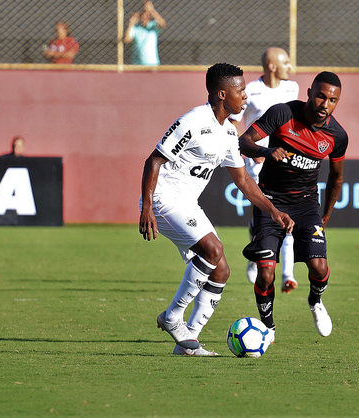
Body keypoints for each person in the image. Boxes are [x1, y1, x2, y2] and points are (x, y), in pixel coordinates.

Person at [139, 63, 294, 356]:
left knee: (221, 270)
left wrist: (273, 212)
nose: (245, 97)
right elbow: (154, 161)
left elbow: (244, 181)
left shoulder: (227, 133)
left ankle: (190, 342)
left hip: (185, 202)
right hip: (162, 197)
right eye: (240, 91)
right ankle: (173, 316)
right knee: (213, 249)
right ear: (223, 94)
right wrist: (147, 207)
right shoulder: (193, 121)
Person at [239, 71, 348, 339]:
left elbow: (336, 178)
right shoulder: (282, 114)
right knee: (265, 274)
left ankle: (316, 301)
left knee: (319, 267)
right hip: (270, 201)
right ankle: (268, 327)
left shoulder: (337, 136)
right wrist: (267, 151)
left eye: (332, 100)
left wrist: (326, 216)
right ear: (309, 92)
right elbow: (244, 142)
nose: (325, 104)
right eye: (321, 96)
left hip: (306, 204)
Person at [229, 47, 300, 292]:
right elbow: (233, 124)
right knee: (269, 215)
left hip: (285, 162)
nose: (290, 67)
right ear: (272, 66)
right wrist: (253, 151)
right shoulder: (251, 91)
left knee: (284, 215)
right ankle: (260, 252)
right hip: (257, 163)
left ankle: (288, 275)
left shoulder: (293, 89)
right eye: (286, 62)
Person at [124, 1, 166, 65]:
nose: (144, 18)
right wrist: (131, 23)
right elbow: (127, 39)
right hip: (137, 64)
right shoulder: (135, 28)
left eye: (147, 16)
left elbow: (162, 24)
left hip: (152, 63)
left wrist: (152, 10)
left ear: (149, 17)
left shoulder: (153, 26)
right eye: (143, 16)